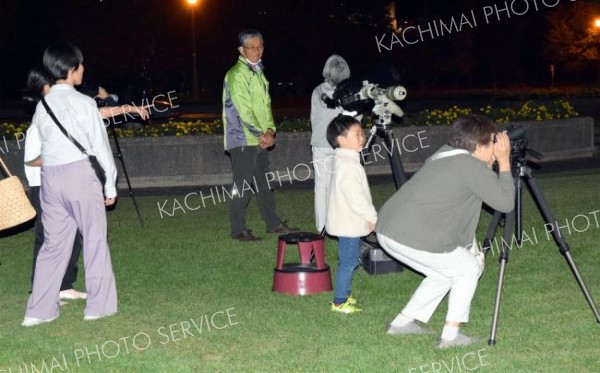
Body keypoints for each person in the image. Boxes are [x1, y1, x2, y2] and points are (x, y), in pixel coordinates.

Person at [375, 114, 515, 348]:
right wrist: (506, 163)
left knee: (444, 273)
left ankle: (401, 324)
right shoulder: (469, 166)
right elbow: (505, 203)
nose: (495, 147)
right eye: (492, 142)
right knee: (467, 268)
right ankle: (450, 336)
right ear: (479, 147)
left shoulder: (444, 154)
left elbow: (472, 187)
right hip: (412, 235)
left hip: (389, 230)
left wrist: (489, 164)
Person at [23, 67, 149, 305]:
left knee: (74, 238)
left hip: (63, 182)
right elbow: (32, 159)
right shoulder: (41, 118)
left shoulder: (65, 110)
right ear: (47, 89)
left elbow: (98, 113)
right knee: (48, 240)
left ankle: (64, 286)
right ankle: (40, 291)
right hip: (44, 185)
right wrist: (68, 156)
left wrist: (130, 108)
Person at [22, 42, 118, 326]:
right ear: (72, 69)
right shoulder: (84, 103)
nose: (83, 69)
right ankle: (98, 306)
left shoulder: (44, 104)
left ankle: (38, 310)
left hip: (51, 179)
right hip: (79, 176)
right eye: (80, 65)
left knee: (53, 245)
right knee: (95, 239)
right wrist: (110, 186)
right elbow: (100, 148)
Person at [222, 29, 298, 241]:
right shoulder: (236, 75)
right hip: (242, 140)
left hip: (258, 139)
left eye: (260, 46)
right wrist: (261, 134)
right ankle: (238, 229)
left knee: (263, 184)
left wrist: (271, 130)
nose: (256, 50)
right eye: (251, 47)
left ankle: (273, 223)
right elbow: (242, 111)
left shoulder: (259, 73)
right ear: (241, 50)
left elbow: (266, 107)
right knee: (242, 186)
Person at [326, 115, 378, 314]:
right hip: (347, 224)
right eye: (357, 134)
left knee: (350, 260)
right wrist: (372, 217)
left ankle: (345, 294)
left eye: (362, 133)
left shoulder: (346, 162)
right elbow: (357, 198)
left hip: (347, 222)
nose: (362, 137)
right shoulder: (348, 166)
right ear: (341, 139)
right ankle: (339, 301)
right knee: (348, 262)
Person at [310, 55, 351, 233]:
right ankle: (337, 223)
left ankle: (321, 227)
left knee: (321, 186)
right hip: (339, 142)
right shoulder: (346, 92)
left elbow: (314, 117)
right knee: (339, 185)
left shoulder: (317, 91)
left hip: (319, 142)